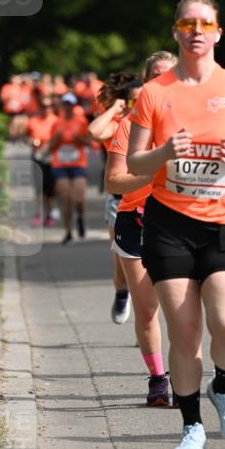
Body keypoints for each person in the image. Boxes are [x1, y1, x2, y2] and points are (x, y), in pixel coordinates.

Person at [127, 0, 225, 449]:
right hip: (169, 224)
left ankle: (224, 389)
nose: (197, 30)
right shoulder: (155, 92)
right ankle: (191, 430)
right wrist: (165, 153)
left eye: (205, 23)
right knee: (184, 334)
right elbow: (134, 160)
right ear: (176, 31)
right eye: (187, 22)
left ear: (218, 31)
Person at [107, 51, 178, 406]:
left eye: (171, 76)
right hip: (136, 220)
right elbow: (113, 182)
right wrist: (153, 172)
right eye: (158, 77)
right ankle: (157, 379)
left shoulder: (191, 122)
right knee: (147, 308)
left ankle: (183, 377)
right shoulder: (130, 124)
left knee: (182, 307)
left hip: (181, 220)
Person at [89, 74, 136, 323]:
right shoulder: (119, 124)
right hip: (120, 201)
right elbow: (94, 131)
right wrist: (117, 109)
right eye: (133, 101)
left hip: (152, 200)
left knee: (150, 264)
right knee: (123, 262)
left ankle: (146, 318)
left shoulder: (157, 122)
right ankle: (121, 293)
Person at [49, 93, 92, 245]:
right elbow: (50, 146)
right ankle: (68, 231)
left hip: (78, 163)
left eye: (70, 104)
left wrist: (78, 138)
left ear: (74, 106)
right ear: (62, 105)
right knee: (65, 198)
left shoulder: (81, 121)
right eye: (65, 104)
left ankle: (80, 217)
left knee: (79, 198)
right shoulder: (56, 123)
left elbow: (90, 142)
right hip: (60, 164)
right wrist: (57, 138)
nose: (67, 107)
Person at [25, 96, 58, 226]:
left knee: (51, 189)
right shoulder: (33, 121)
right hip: (37, 156)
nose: (46, 109)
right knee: (39, 188)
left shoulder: (56, 121)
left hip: (51, 156)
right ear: (39, 107)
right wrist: (31, 142)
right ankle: (39, 213)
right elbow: (26, 136)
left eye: (49, 106)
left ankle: (50, 214)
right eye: (43, 106)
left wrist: (50, 145)